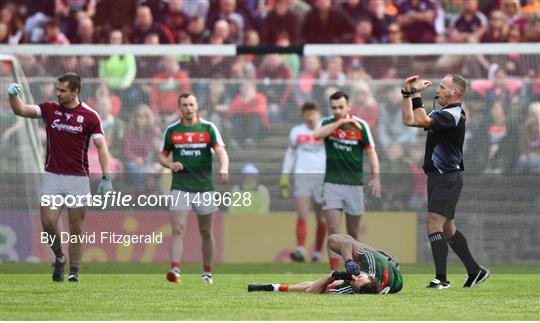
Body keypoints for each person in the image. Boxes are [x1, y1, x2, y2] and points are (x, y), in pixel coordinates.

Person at [7, 73, 112, 282]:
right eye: (58, 89)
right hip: (53, 176)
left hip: (78, 179)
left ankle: (73, 273)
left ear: (75, 92)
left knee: (76, 227)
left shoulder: (90, 116)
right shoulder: (49, 109)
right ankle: (59, 257)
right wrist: (13, 96)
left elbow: (101, 146)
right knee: (48, 221)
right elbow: (21, 110)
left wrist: (106, 177)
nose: (58, 93)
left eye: (63, 91)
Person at [400, 74, 490, 289]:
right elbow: (409, 120)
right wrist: (406, 94)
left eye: (442, 87)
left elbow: (421, 119)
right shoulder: (442, 113)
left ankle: (441, 279)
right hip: (439, 176)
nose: (438, 90)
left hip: (447, 177)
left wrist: (417, 93)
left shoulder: (453, 114)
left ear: (454, 93)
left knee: (433, 222)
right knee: (448, 228)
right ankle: (475, 271)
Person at [159, 92, 229, 285]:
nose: (188, 108)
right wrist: (170, 164)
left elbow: (221, 151)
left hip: (204, 188)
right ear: (179, 108)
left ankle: (207, 273)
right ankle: (175, 269)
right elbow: (162, 156)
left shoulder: (208, 128)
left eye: (191, 104)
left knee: (206, 231)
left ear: (196, 106)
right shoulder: (172, 130)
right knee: (178, 228)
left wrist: (224, 168)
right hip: (181, 186)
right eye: (184, 105)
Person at [314, 91, 381, 271]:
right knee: (334, 231)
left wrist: (376, 177)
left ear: (348, 106)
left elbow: (371, 152)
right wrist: (340, 122)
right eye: (334, 107)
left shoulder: (360, 126)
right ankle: (334, 273)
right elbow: (317, 135)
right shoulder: (328, 123)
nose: (337, 110)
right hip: (332, 184)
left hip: (355, 185)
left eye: (341, 107)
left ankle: (359, 271)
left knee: (353, 233)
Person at [248, 234, 403, 294]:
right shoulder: (372, 262)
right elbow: (347, 243)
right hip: (390, 262)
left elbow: (311, 291)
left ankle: (274, 287)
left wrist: (331, 277)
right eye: (359, 277)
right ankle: (351, 250)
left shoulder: (353, 287)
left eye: (354, 283)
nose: (354, 277)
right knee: (335, 241)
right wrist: (348, 261)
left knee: (325, 288)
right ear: (370, 275)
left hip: (386, 279)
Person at [280, 101, 327, 262]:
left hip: (322, 177)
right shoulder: (296, 132)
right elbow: (290, 154)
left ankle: (317, 253)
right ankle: (300, 249)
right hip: (302, 176)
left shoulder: (326, 129)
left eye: (312, 114)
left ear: (318, 113)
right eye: (306, 115)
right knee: (302, 213)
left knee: (322, 217)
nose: (309, 117)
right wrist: (285, 176)